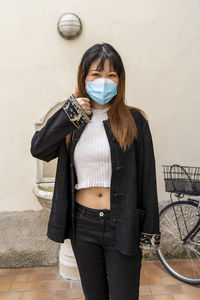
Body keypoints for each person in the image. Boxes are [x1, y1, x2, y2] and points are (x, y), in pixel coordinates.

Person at [30, 42, 160, 300]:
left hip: (122, 223)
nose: (104, 81)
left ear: (119, 81)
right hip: (84, 223)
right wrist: (70, 111)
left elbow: (147, 179)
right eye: (96, 74)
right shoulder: (74, 120)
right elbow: (38, 148)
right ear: (84, 78)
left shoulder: (134, 121)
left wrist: (148, 233)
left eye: (111, 75)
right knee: (94, 295)